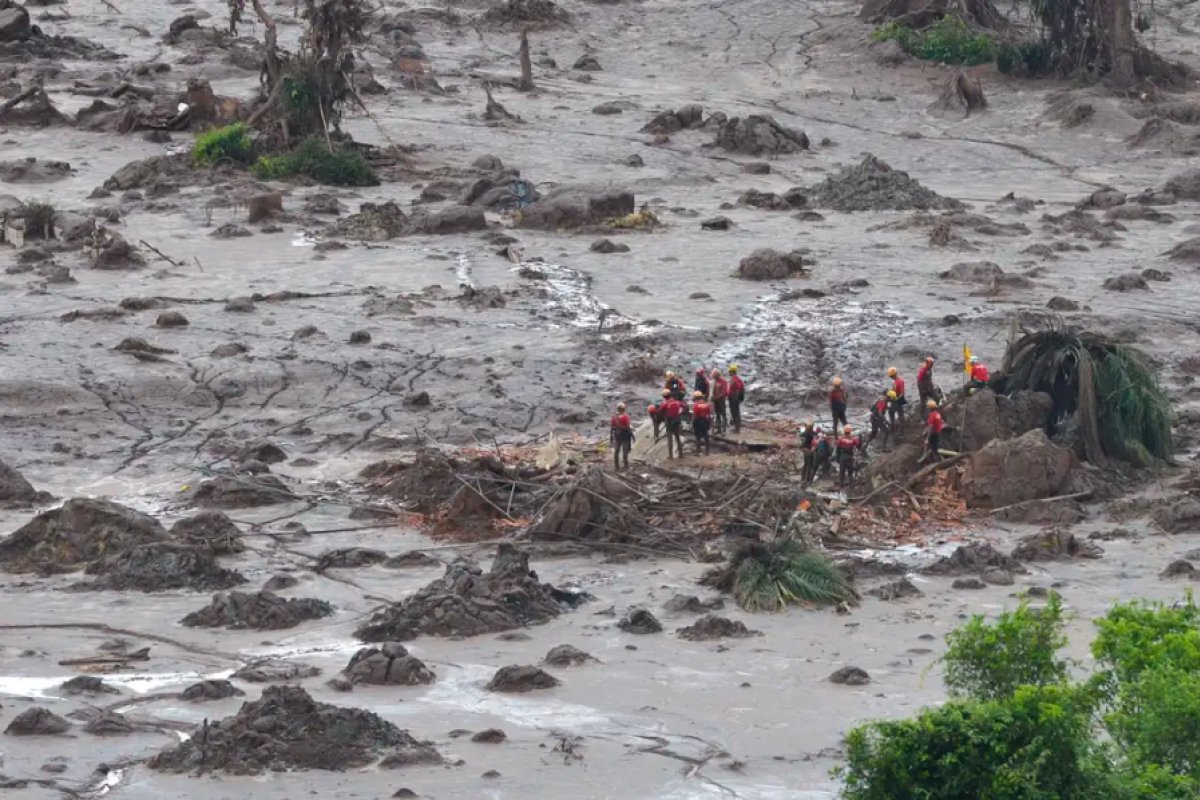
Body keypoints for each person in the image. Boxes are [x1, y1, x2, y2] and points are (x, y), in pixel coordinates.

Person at [661, 391, 686, 459]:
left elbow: (661, 410)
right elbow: (685, 406)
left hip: (669, 421)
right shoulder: (677, 402)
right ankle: (681, 455)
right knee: (678, 437)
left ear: (664, 397)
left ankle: (671, 456)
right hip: (677, 420)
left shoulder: (665, 403)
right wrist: (680, 413)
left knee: (670, 439)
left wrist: (664, 417)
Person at [610, 402, 634, 470]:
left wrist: (612, 436)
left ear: (618, 409)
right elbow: (628, 425)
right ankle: (626, 466)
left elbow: (612, 427)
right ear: (624, 409)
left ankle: (616, 466)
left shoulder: (614, 417)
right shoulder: (626, 417)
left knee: (616, 451)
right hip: (625, 436)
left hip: (617, 435)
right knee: (625, 451)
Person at [691, 390, 713, 454]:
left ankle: (698, 452)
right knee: (706, 436)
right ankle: (707, 451)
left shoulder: (696, 405)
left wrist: (692, 423)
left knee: (697, 437)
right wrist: (709, 422)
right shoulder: (706, 404)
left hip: (698, 421)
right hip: (705, 421)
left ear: (696, 398)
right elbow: (709, 414)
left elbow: (694, 416)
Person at [923, 399, 944, 464]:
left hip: (934, 434)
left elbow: (931, 427)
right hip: (938, 433)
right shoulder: (937, 414)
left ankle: (936, 464)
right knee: (936, 449)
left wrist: (927, 439)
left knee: (934, 450)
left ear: (929, 408)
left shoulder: (932, 415)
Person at [887, 366, 906, 431]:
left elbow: (902, 393)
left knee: (900, 415)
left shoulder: (900, 381)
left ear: (894, 374)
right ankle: (893, 426)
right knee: (891, 412)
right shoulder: (895, 381)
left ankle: (901, 430)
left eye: (891, 376)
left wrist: (897, 399)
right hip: (894, 399)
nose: (891, 378)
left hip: (898, 400)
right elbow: (893, 390)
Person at [711, 368, 729, 435]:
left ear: (718, 375)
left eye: (715, 376)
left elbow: (724, 392)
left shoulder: (723, 381)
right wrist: (712, 396)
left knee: (723, 414)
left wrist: (717, 397)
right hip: (716, 400)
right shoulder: (715, 381)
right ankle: (718, 429)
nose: (714, 378)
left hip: (721, 400)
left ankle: (724, 430)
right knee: (717, 414)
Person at [799, 420, 818, 484]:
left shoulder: (803, 433)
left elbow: (801, 443)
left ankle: (803, 478)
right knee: (809, 465)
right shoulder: (813, 434)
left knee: (806, 464)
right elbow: (815, 443)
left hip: (806, 450)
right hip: (810, 450)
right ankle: (807, 480)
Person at [728, 364, 746, 434]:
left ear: (732, 371)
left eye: (729, 371)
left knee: (736, 413)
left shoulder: (735, 379)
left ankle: (737, 429)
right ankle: (736, 428)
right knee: (733, 413)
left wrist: (736, 400)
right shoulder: (733, 378)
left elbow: (738, 390)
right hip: (732, 398)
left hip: (734, 398)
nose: (728, 372)